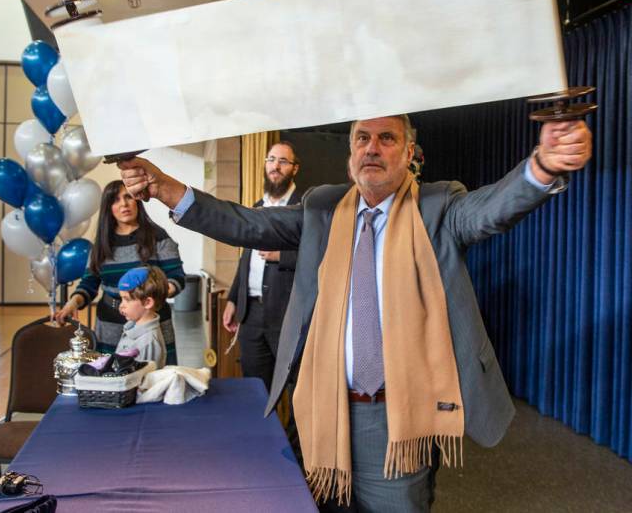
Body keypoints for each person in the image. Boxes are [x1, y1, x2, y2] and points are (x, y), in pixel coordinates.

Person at [119, 114, 592, 512]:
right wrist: (164, 187)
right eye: (362, 139)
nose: (372, 148)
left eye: (387, 139)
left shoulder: (438, 205)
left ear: (409, 153)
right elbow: (247, 223)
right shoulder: (323, 208)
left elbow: (490, 211)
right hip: (323, 408)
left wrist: (542, 166)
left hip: (398, 420)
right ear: (350, 155)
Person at [56, 180, 184, 364]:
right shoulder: (101, 244)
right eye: (115, 200)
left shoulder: (158, 237)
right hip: (109, 325)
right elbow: (89, 284)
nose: (123, 204)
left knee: (156, 378)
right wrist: (72, 304)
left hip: (151, 323)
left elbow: (177, 278)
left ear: (137, 201)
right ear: (109, 208)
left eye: (128, 197)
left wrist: (148, 297)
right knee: (112, 380)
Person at [225, 141, 302, 391]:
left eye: (283, 161)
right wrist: (234, 298)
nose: (275, 166)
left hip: (288, 313)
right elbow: (245, 258)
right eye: (271, 159)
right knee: (255, 388)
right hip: (252, 315)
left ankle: (292, 433)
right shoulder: (256, 208)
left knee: (294, 389)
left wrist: (283, 257)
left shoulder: (305, 209)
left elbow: (323, 257)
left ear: (295, 168)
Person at [115, 266, 169, 369]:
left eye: (127, 299)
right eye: (121, 299)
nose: (121, 305)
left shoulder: (148, 342)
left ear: (147, 302)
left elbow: (144, 380)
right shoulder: (132, 327)